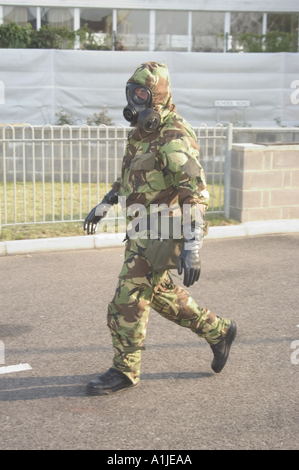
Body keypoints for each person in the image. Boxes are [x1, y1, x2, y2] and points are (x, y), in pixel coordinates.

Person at [83, 62, 237, 396]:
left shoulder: (174, 135)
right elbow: (133, 178)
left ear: (160, 94)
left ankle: (124, 370)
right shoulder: (141, 132)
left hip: (163, 231)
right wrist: (106, 202)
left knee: (127, 300)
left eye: (143, 93)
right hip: (141, 229)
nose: (136, 101)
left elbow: (194, 193)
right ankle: (219, 331)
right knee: (163, 296)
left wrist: (193, 245)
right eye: (132, 92)